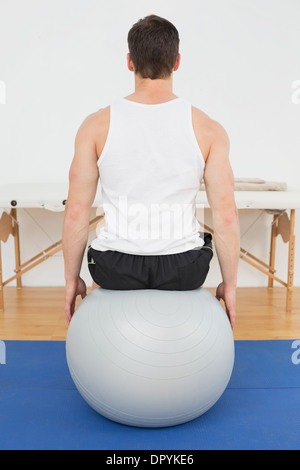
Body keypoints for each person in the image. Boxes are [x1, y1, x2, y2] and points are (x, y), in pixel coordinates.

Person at [62, 14, 240, 328]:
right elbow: (225, 215)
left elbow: (76, 211)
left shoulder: (95, 125)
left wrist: (71, 280)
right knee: (202, 240)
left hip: (113, 268)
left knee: (99, 245)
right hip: (183, 270)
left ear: (130, 62)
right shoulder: (209, 129)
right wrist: (231, 286)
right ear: (177, 61)